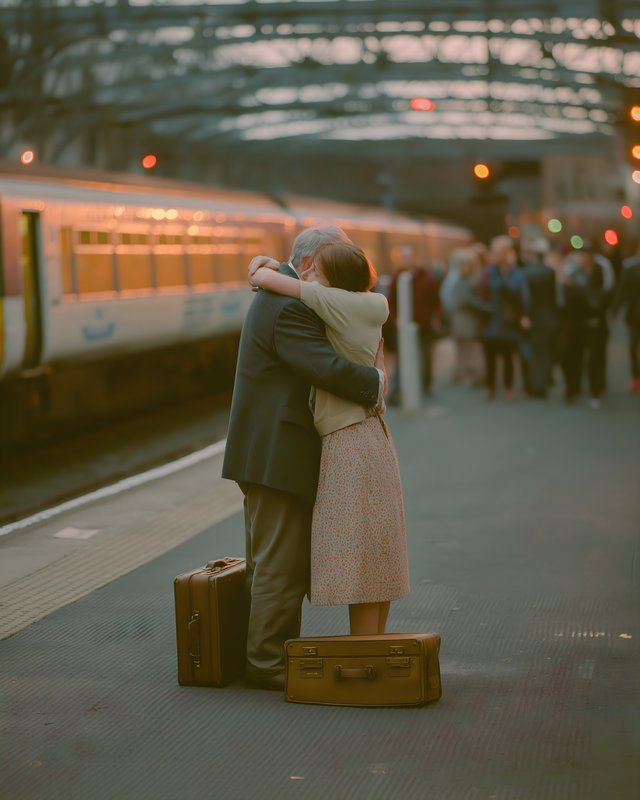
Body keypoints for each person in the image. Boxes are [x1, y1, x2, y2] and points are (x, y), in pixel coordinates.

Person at [222, 226, 385, 691]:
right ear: (311, 264)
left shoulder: (284, 295)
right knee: (281, 563)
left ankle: (260, 654)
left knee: (268, 559)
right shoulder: (288, 306)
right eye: (332, 272)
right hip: (278, 451)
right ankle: (269, 664)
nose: (333, 288)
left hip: (268, 450)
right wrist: (374, 382)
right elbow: (321, 365)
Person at [249, 240, 410, 640]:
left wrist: (263, 267)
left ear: (333, 280)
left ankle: (362, 655)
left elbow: (268, 279)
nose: (307, 274)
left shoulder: (331, 302)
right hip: (373, 435)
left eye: (314, 270)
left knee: (357, 552)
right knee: (377, 551)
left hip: (347, 440)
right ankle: (371, 649)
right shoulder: (373, 303)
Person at [387, 245, 444, 402]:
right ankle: (397, 391)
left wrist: (434, 319)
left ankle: (425, 386)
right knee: (402, 358)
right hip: (403, 327)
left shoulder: (428, 279)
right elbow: (390, 301)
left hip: (424, 326)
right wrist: (395, 319)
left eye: (409, 257)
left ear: (415, 259)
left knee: (425, 358)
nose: (407, 261)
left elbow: (436, 303)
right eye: (404, 258)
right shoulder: (397, 277)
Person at [477, 235, 531, 400]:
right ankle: (490, 387)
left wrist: (524, 316)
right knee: (490, 357)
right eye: (496, 252)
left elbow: (523, 296)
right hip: (491, 321)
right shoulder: (488, 272)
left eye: (501, 252)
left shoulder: (517, 274)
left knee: (508, 356)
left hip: (509, 321)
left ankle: (508, 387)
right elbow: (480, 292)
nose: (498, 256)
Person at [564, 242, 613, 408]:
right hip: (577, 321)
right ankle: (573, 388)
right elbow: (569, 295)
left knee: (595, 358)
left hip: (596, 320)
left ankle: (595, 389)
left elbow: (606, 294)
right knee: (575, 356)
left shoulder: (602, 269)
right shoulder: (573, 271)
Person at [521, 238, 558, 398]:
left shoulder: (527, 273)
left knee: (534, 351)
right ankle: (543, 382)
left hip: (532, 316)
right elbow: (553, 297)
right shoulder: (550, 272)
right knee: (545, 352)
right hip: (547, 316)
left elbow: (524, 298)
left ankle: (534, 384)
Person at [611, 247, 640, 393]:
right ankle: (636, 377)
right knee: (633, 346)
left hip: (634, 313)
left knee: (633, 346)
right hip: (634, 315)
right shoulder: (630, 269)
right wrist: (614, 311)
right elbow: (621, 290)